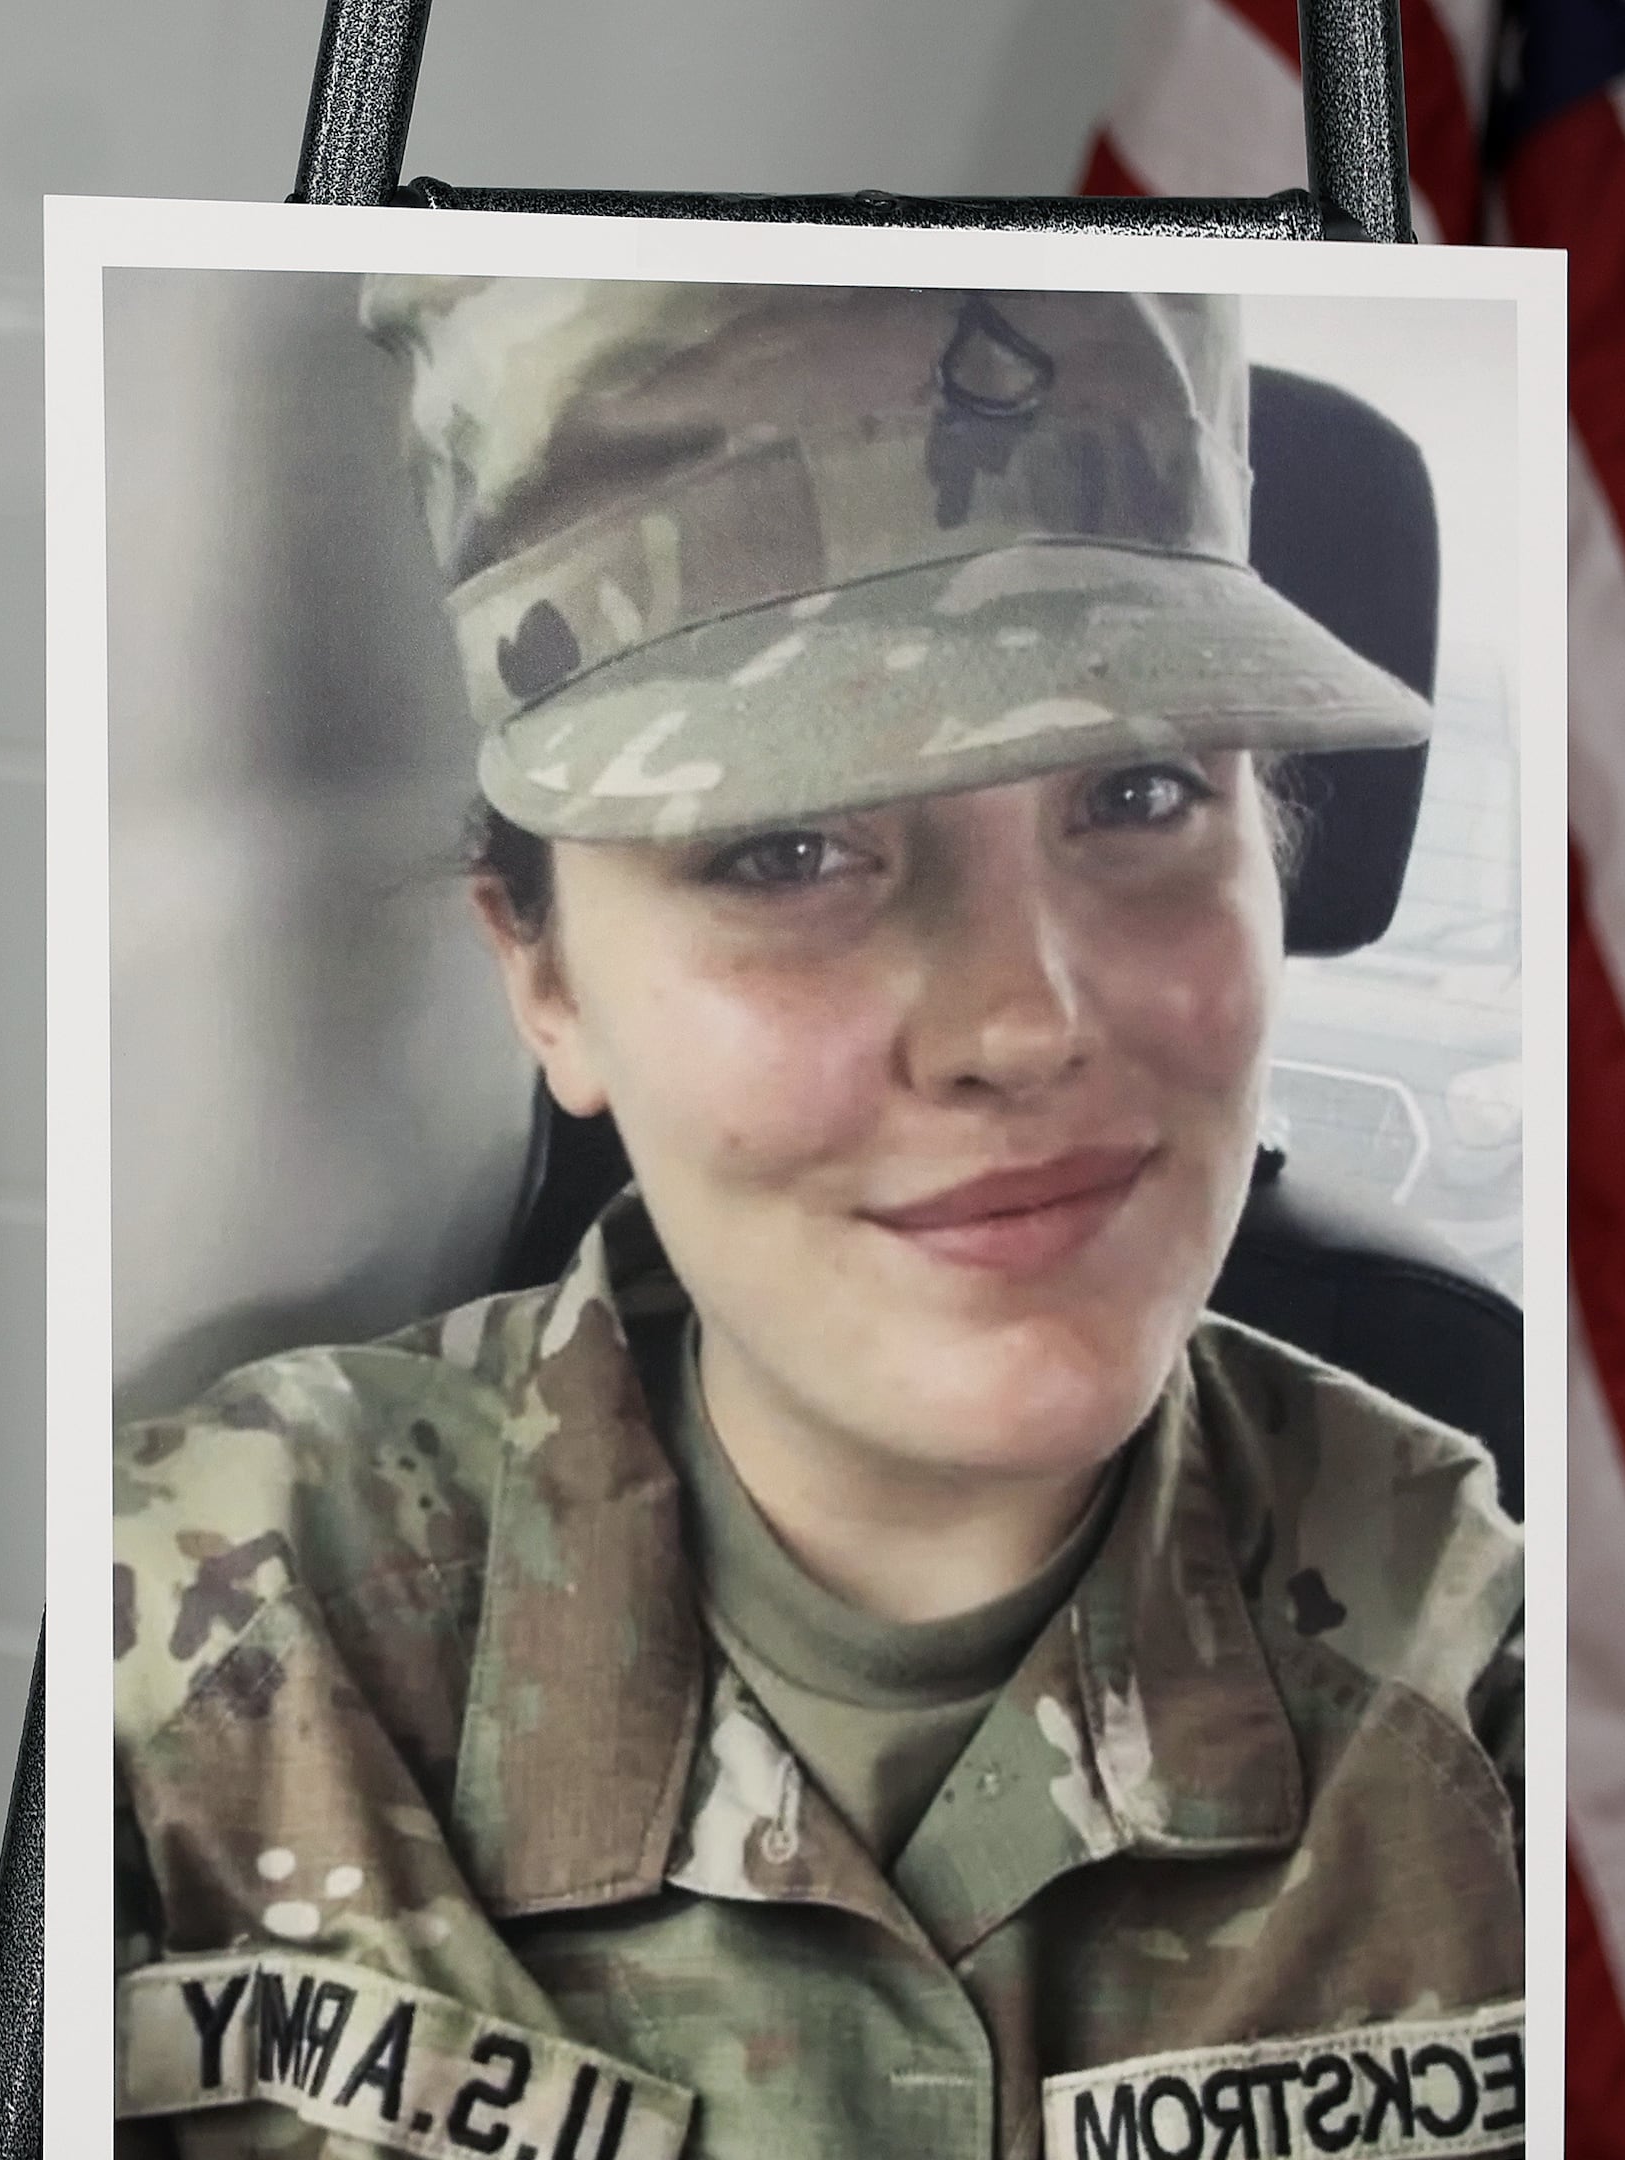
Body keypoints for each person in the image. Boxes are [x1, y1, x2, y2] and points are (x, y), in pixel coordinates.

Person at [112, 281, 1525, 2160]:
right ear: (541, 980)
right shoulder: (201, 1646)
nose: (1025, 1022)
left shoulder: (1504, 1685)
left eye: (1142, 791)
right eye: (788, 845)